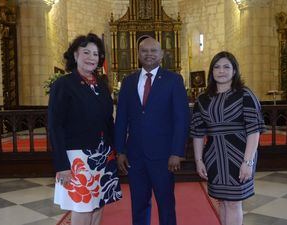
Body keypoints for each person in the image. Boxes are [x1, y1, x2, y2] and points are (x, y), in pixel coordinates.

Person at [48, 33, 122, 225]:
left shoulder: (101, 85)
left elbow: (108, 121)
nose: (91, 57)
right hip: (77, 158)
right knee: (82, 206)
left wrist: (116, 151)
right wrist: (62, 166)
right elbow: (55, 126)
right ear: (75, 55)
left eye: (96, 54)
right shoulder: (63, 84)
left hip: (103, 155)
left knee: (98, 204)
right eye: (86, 52)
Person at [114, 37, 190, 225]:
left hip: (164, 157)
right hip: (135, 156)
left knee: (166, 204)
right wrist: (120, 150)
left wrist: (177, 152)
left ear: (161, 54)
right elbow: (121, 118)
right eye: (144, 51)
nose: (149, 54)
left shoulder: (173, 80)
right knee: (138, 205)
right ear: (138, 54)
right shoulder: (128, 82)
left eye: (153, 50)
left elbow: (181, 118)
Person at [190, 51, 266, 225]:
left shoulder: (245, 95)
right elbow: (198, 133)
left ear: (234, 71)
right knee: (222, 201)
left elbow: (253, 131)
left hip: (239, 156)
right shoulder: (203, 99)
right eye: (217, 67)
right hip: (213, 157)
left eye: (226, 67)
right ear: (211, 71)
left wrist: (248, 162)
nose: (221, 71)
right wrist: (199, 160)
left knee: (233, 202)